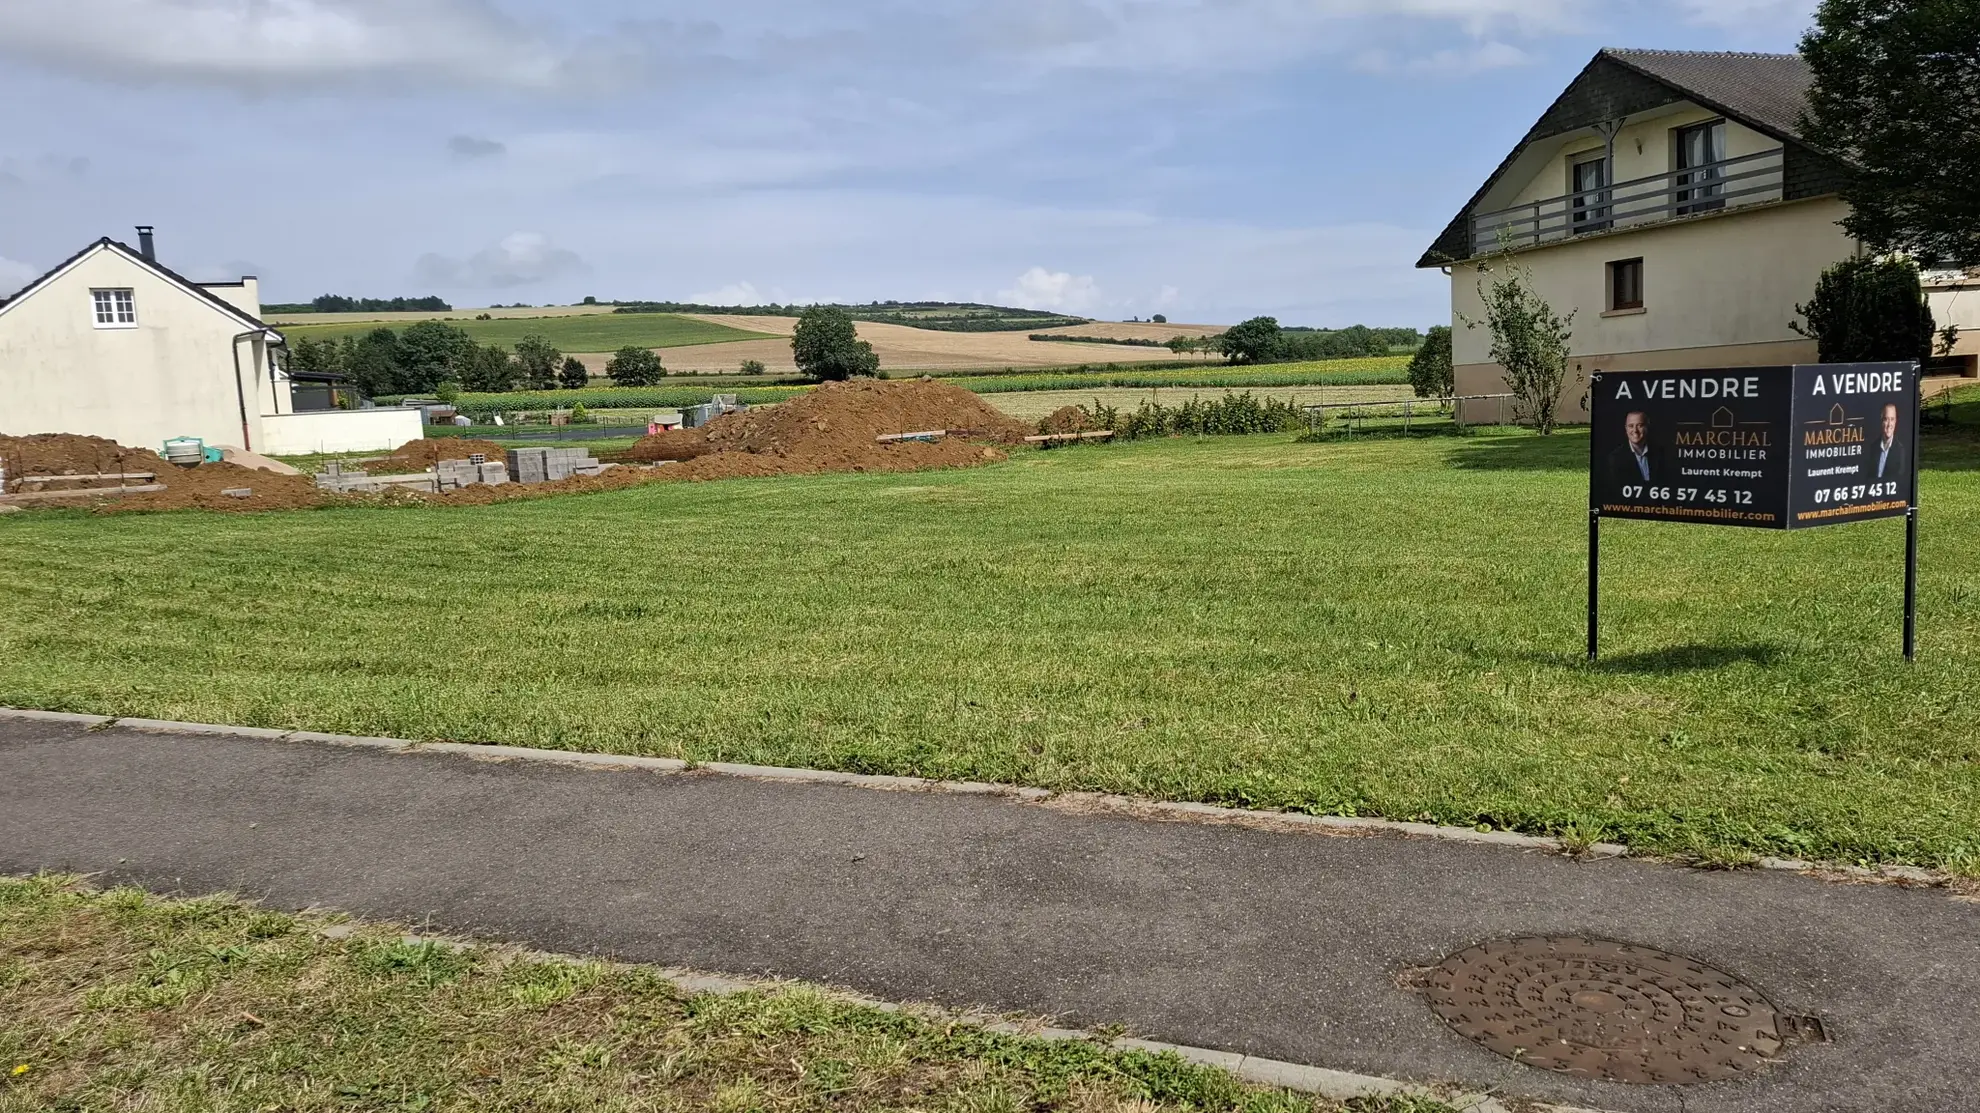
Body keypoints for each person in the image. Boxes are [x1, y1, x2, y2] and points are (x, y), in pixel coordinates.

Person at [1608, 410, 1669, 493]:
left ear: (1647, 427)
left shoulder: (1661, 453)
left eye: (1640, 425)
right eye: (1630, 426)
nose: (1635, 430)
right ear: (1626, 429)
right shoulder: (1616, 458)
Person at [1871, 402, 1905, 486]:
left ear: (1896, 421)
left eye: (1892, 419)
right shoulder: (1872, 448)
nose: (1889, 424)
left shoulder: (1900, 451)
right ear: (1881, 421)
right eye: (1886, 419)